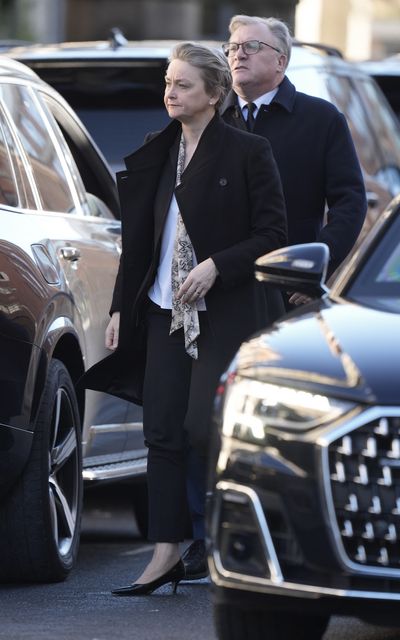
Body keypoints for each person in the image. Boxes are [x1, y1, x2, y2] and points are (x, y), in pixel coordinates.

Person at [80, 41, 287, 596]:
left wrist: (219, 265)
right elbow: (138, 241)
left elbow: (273, 235)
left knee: (204, 427)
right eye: (168, 83)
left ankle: (233, 542)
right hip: (163, 310)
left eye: (184, 85)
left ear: (215, 95)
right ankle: (166, 553)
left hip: (224, 312)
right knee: (162, 432)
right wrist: (123, 306)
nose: (171, 92)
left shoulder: (248, 152)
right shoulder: (155, 151)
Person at [183, 14, 368, 580]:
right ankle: (202, 538)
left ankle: (280, 538)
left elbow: (350, 203)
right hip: (216, 291)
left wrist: (310, 275)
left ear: (280, 61)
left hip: (288, 298)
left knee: (279, 417)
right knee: (201, 417)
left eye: (250, 48)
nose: (236, 55)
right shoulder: (213, 120)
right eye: (231, 47)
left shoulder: (320, 119)